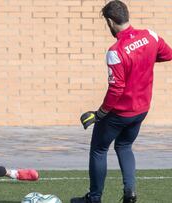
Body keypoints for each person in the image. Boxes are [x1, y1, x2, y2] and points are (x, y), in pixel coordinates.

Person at [71, 1, 172, 203]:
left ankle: (94, 198)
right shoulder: (150, 35)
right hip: (141, 109)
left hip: (119, 113)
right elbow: (168, 54)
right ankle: (130, 192)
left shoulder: (115, 51)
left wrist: (100, 114)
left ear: (110, 21)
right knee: (124, 146)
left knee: (99, 149)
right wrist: (144, 60)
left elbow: (116, 88)